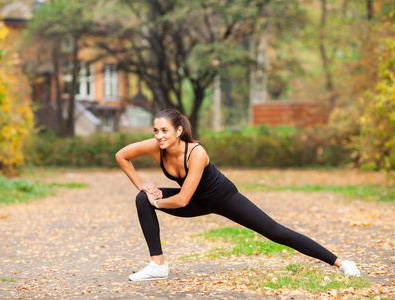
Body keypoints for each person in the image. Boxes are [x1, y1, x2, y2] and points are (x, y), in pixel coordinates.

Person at [115, 109, 360, 281]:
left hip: (223, 197)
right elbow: (121, 156)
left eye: (164, 130)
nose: (159, 136)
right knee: (141, 200)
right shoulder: (156, 147)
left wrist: (156, 200)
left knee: (276, 232)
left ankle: (341, 263)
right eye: (156, 130)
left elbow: (181, 200)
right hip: (197, 201)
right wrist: (143, 186)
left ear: (178, 131)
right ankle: (158, 265)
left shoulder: (196, 153)